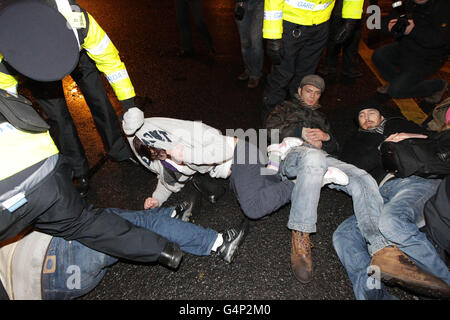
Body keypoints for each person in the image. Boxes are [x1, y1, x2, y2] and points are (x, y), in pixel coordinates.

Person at [0, 0, 145, 197]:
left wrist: (129, 105)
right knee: (58, 117)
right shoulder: (9, 44)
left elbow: (112, 63)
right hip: (38, 70)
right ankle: (78, 170)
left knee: (99, 98)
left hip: (78, 55)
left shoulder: (78, 21)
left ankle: (118, 149)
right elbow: (8, 96)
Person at [0, 199, 248, 300]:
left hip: (59, 287)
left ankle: (170, 217)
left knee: (120, 220)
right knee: (111, 221)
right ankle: (218, 243)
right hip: (54, 253)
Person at [334, 100, 450, 299]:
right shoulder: (356, 140)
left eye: (372, 112)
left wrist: (408, 136)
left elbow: (437, 138)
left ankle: (444, 286)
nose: (367, 118)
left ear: (382, 115)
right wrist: (383, 147)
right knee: (344, 236)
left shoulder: (399, 124)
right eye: (361, 115)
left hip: (417, 181)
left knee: (391, 222)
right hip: (379, 193)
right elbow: (351, 169)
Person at [261, 0, 364, 121]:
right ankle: (271, 123)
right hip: (290, 21)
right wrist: (273, 34)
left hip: (320, 24)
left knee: (305, 79)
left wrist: (351, 18)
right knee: (281, 78)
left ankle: (298, 122)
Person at [372, 0, 450, 108]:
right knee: (379, 55)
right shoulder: (405, 3)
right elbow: (389, 20)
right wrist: (389, 25)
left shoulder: (444, 7)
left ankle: (438, 85)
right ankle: (397, 82)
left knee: (396, 92)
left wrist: (413, 30)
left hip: (430, 57)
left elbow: (439, 39)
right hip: (407, 46)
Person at [264, 74, 338, 155]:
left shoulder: (321, 117)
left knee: (349, 168)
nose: (312, 96)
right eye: (309, 91)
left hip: (319, 157)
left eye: (317, 93)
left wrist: (327, 139)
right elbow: (270, 131)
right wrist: (299, 132)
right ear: (300, 91)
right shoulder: (285, 107)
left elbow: (335, 150)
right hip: (291, 155)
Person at [319, 0, 363, 82]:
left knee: (352, 42)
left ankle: (348, 68)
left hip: (357, 12)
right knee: (334, 41)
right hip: (338, 11)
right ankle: (329, 66)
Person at [234, 0, 264, 88]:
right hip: (241, 4)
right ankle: (248, 69)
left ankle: (255, 74)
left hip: (260, 4)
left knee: (255, 41)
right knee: (245, 42)